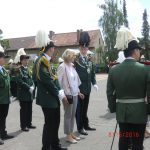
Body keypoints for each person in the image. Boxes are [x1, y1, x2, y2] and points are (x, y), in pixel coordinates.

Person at [107, 26, 150, 150]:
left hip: (122, 113)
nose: (140, 53)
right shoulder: (145, 69)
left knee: (124, 140)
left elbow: (110, 93)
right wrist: (148, 110)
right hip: (139, 112)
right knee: (137, 143)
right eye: (139, 50)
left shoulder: (113, 70)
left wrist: (113, 107)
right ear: (135, 51)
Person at [34, 30, 67, 150]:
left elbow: (54, 78)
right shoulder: (41, 60)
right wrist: (59, 92)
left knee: (55, 123)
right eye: (53, 48)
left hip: (53, 98)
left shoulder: (47, 61)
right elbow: (46, 80)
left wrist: (60, 91)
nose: (54, 50)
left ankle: (55, 145)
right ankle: (46, 147)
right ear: (50, 48)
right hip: (48, 98)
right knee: (49, 124)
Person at [57, 49, 84, 144]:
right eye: (73, 55)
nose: (74, 57)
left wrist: (79, 92)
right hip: (67, 95)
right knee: (68, 115)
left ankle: (71, 133)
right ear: (68, 56)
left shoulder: (72, 66)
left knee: (73, 115)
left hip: (75, 94)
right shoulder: (62, 67)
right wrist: (62, 96)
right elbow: (58, 83)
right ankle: (68, 135)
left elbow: (75, 81)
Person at [74, 31, 99, 135]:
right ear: (80, 48)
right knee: (79, 110)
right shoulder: (75, 60)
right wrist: (76, 89)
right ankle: (80, 127)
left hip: (87, 88)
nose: (84, 50)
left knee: (85, 109)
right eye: (82, 48)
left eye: (86, 48)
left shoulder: (89, 60)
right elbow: (73, 76)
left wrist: (94, 83)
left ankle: (85, 125)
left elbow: (92, 73)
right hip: (79, 89)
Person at [16, 48, 36, 131]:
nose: (26, 61)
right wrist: (28, 87)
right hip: (23, 94)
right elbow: (19, 81)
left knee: (29, 110)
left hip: (29, 94)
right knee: (24, 110)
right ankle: (23, 126)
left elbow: (31, 79)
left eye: (27, 60)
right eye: (24, 60)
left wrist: (33, 86)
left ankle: (29, 123)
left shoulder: (27, 69)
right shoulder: (18, 69)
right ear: (21, 61)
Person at [0, 48, 14, 145]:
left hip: (5, 99)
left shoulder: (3, 69)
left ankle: (3, 133)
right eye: (3, 58)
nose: (5, 60)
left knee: (3, 117)